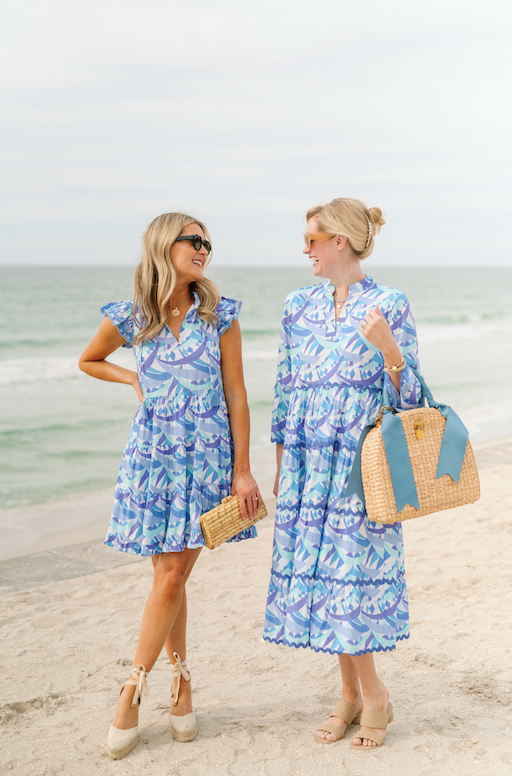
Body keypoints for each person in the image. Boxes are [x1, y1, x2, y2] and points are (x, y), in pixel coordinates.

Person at [79, 212, 261, 760]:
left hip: (206, 460)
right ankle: (181, 683)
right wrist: (131, 376)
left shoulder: (218, 315)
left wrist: (244, 468)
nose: (204, 249)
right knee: (169, 575)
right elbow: (90, 360)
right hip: (153, 459)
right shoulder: (135, 316)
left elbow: (237, 395)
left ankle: (131, 688)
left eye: (208, 243)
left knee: (173, 573)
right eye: (195, 240)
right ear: (165, 245)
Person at [263, 198, 421, 750]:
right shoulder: (296, 306)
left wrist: (390, 350)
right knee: (327, 579)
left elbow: (415, 401)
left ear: (341, 242)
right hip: (308, 463)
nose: (304, 248)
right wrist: (282, 460)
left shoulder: (390, 304)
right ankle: (350, 695)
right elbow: (284, 386)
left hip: (359, 466)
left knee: (350, 580)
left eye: (312, 238)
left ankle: (372, 695)